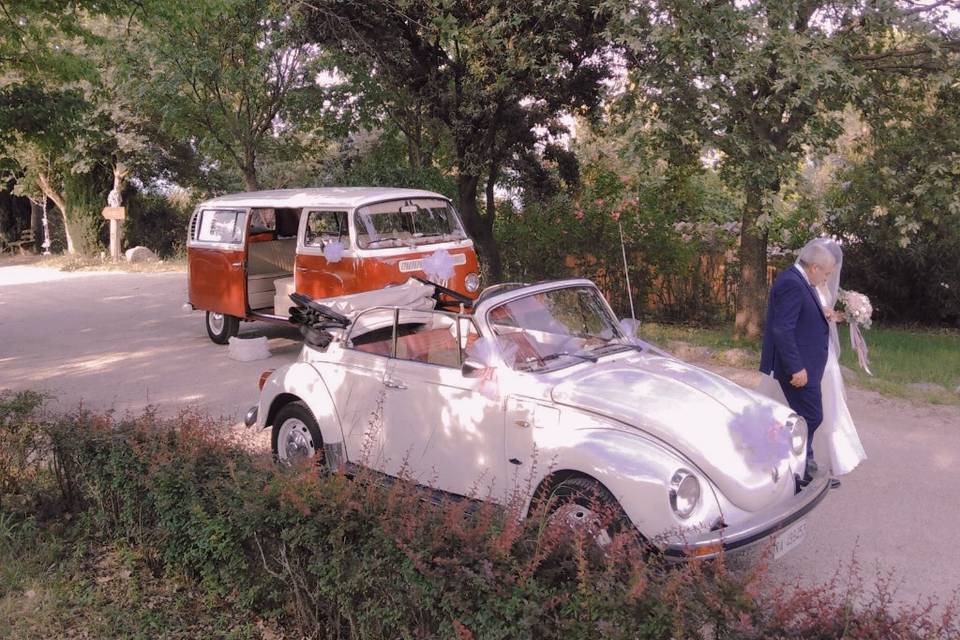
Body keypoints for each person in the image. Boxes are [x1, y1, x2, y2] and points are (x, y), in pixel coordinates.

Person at [759, 239, 836, 484]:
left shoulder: (798, 279)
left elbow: (797, 317)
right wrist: (796, 367)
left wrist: (819, 314)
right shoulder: (792, 283)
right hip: (798, 368)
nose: (825, 279)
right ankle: (782, 461)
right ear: (814, 267)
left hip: (807, 364)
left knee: (805, 416)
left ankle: (803, 467)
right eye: (825, 274)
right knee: (811, 417)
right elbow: (782, 329)